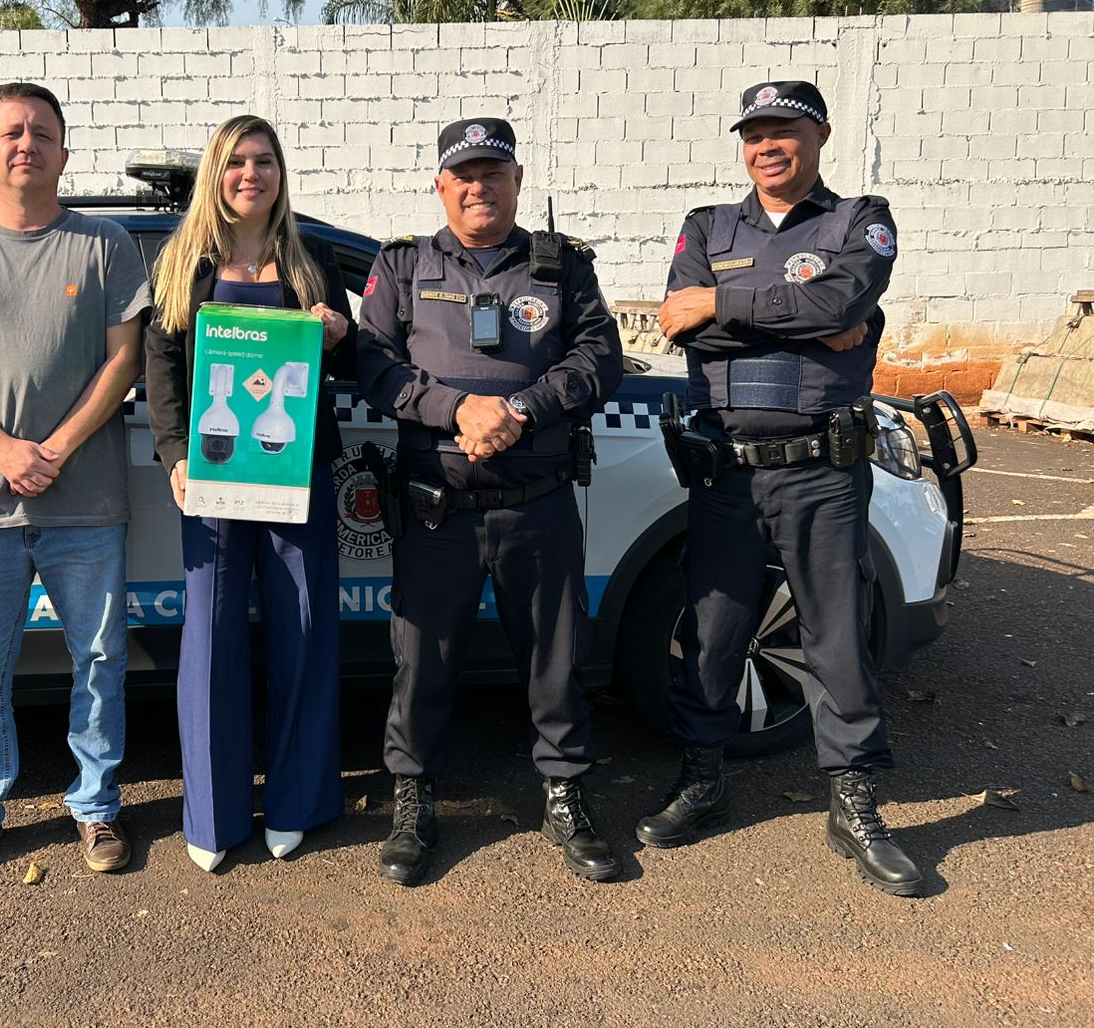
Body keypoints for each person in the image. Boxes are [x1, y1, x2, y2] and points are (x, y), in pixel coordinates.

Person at [648, 79, 920, 896]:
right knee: (713, 631)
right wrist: (808, 318)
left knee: (837, 637)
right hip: (726, 471)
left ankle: (854, 802)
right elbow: (682, 324)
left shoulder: (859, 220)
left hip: (821, 473)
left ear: (820, 135)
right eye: (754, 133)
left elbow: (844, 301)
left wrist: (722, 302)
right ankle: (703, 778)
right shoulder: (708, 226)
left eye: (784, 130)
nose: (767, 146)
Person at [356, 117, 625, 886]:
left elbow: (599, 357)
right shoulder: (402, 265)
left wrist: (522, 411)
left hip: (536, 504)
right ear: (441, 187)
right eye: (464, 175)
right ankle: (414, 798)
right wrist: (457, 410)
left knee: (556, 660)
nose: (480, 187)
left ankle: (565, 795)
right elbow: (371, 364)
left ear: (516, 181)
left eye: (493, 173)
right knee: (421, 665)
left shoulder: (561, 265)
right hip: (436, 509)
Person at [0, 82, 150, 883]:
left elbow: (125, 360)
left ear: (63, 153)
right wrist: (8, 451)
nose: (26, 144)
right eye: (11, 132)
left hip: (88, 506)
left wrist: (54, 447)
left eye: (42, 133)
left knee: (99, 663)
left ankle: (96, 805)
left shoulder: (106, 244)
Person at [145, 115, 355, 873]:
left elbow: (352, 361)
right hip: (212, 475)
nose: (251, 174)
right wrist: (174, 454)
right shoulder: (181, 260)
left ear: (280, 173)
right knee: (210, 641)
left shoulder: (312, 258)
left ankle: (298, 803)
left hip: (296, 474)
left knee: (304, 629)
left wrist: (339, 334)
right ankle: (213, 814)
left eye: (264, 161)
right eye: (236, 161)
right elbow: (162, 365)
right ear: (216, 172)